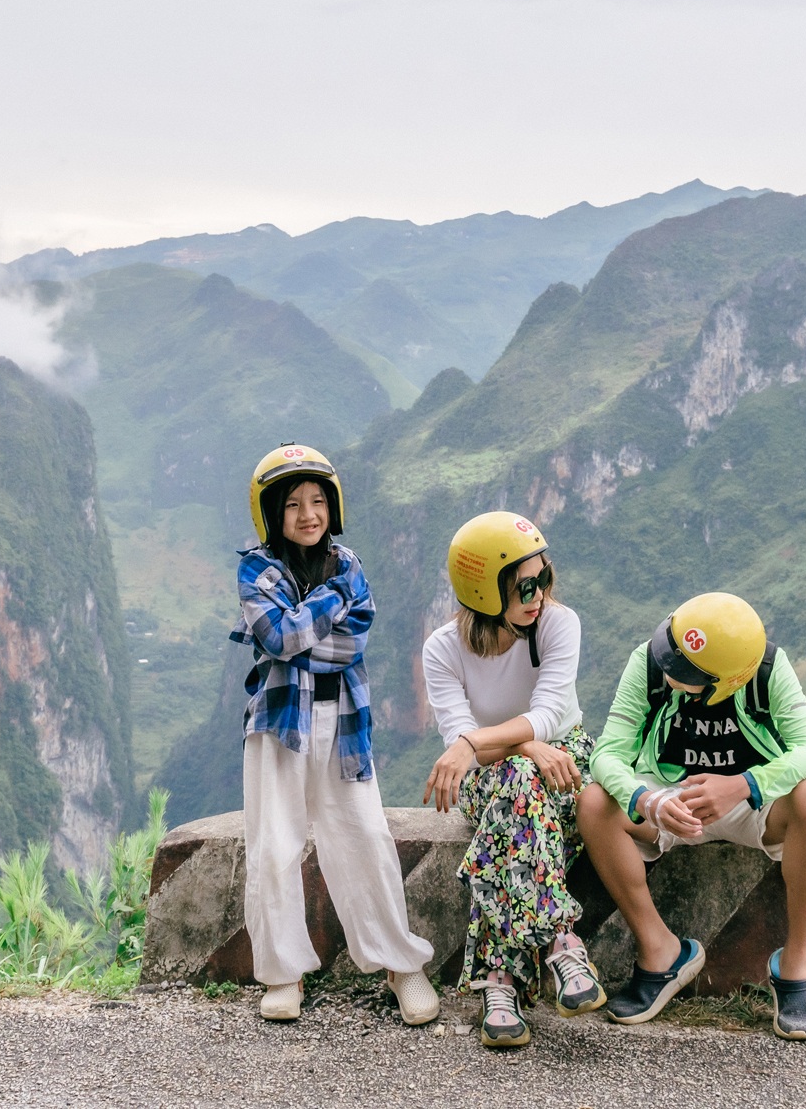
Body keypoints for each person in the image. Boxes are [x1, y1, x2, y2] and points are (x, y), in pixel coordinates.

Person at [230, 444, 439, 1026]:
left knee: (365, 836)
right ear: (272, 513)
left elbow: (353, 640)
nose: (307, 514)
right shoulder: (257, 568)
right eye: (293, 504)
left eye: (317, 501)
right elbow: (277, 639)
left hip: (343, 723)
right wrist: (329, 603)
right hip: (279, 725)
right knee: (274, 845)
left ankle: (401, 964)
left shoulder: (348, 562)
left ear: (333, 506)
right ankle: (283, 974)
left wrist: (301, 631)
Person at [578, 591, 806, 1039]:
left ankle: (795, 965)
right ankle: (660, 950)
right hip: (669, 796)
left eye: (686, 671)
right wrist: (645, 800)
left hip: (751, 798)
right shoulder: (648, 663)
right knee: (595, 802)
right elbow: (607, 754)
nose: (668, 669)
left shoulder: (768, 670)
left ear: (729, 680)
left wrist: (744, 785)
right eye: (669, 653)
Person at [419, 513, 605, 1048]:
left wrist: (481, 742)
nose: (539, 595)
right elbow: (470, 735)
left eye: (543, 578)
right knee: (519, 776)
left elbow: (545, 715)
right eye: (524, 585)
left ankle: (499, 984)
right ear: (483, 589)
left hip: (564, 761)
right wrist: (515, 746)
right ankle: (562, 944)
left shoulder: (557, 624)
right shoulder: (442, 649)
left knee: (511, 801)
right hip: (498, 771)